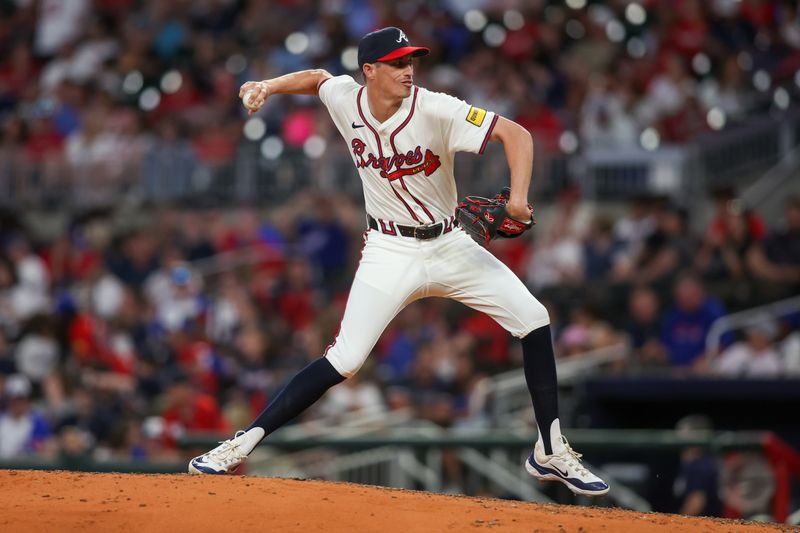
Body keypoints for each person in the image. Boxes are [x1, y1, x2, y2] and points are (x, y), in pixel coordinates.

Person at [188, 27, 608, 496]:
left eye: (411, 61)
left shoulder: (435, 107)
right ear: (370, 71)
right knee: (345, 359)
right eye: (397, 63)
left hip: (451, 243)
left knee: (533, 318)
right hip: (389, 251)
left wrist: (518, 201)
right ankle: (241, 444)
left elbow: (518, 134)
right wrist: (268, 86)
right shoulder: (347, 98)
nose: (409, 70)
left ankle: (549, 449)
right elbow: (317, 78)